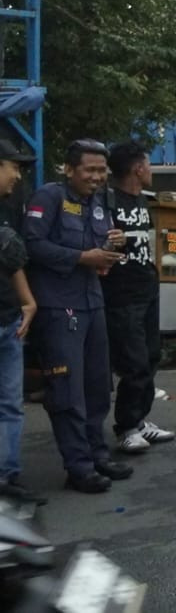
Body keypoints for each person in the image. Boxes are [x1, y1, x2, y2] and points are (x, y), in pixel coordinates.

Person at [22, 139, 133, 494]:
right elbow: (32, 246)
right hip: (58, 305)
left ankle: (97, 455)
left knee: (98, 386)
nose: (98, 177)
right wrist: (82, 258)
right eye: (90, 170)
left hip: (92, 302)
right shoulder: (49, 198)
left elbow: (104, 249)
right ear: (69, 169)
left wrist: (118, 242)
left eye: (102, 171)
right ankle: (79, 467)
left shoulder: (99, 202)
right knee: (67, 390)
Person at [100, 142, 174, 454]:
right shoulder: (106, 201)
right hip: (121, 292)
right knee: (134, 362)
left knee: (152, 355)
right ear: (138, 169)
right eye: (149, 164)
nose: (151, 170)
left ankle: (141, 420)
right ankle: (126, 427)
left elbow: (161, 238)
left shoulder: (142, 202)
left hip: (147, 286)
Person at [0, 138, 41, 504]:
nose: (17, 175)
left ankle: (6, 478)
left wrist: (27, 303)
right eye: (13, 166)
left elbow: (11, 261)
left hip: (9, 321)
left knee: (10, 404)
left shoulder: (6, 208)